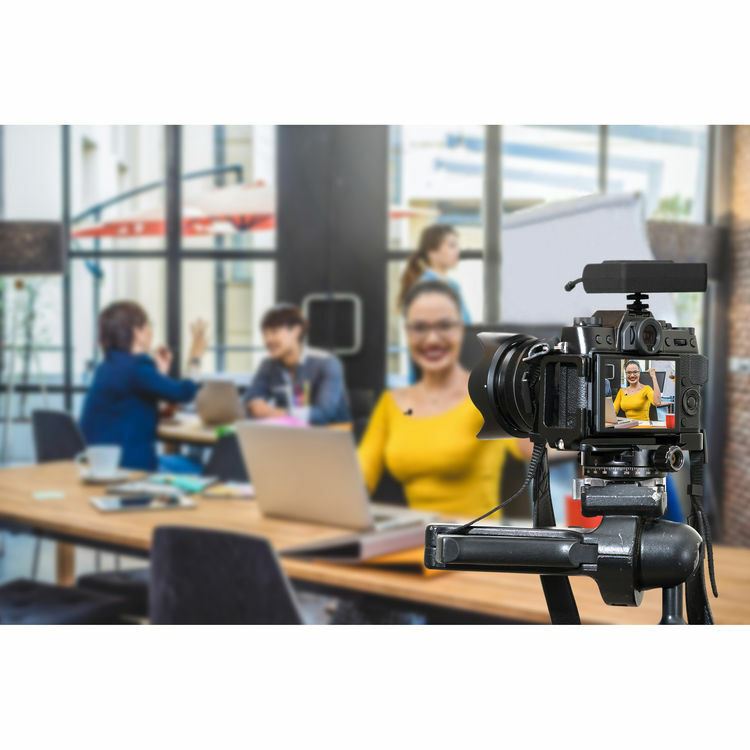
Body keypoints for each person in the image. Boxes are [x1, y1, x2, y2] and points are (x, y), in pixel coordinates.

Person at [358, 280, 532, 519]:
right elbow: (360, 477)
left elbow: (536, 446)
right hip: (418, 536)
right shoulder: (390, 403)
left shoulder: (487, 393)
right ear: (407, 333)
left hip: (474, 536)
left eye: (444, 325)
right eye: (420, 327)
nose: (432, 339)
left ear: (460, 329)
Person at [79, 301, 208, 472]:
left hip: (99, 465)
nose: (151, 332)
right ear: (137, 333)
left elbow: (133, 406)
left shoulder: (106, 367)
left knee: (183, 462)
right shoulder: (137, 367)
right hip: (130, 469)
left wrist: (159, 375)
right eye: (149, 325)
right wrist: (195, 358)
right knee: (201, 469)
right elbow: (184, 393)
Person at [246, 303, 351, 425]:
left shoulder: (327, 363)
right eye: (265, 334)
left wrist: (277, 413)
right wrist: (254, 405)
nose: (268, 340)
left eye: (274, 332)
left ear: (296, 331)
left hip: (330, 431)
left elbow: (324, 413)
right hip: (288, 431)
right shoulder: (268, 364)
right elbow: (249, 400)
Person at [397, 224, 471, 323]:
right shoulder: (425, 287)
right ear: (431, 252)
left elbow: (465, 323)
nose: (458, 251)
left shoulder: (453, 285)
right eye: (452, 246)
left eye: (457, 246)